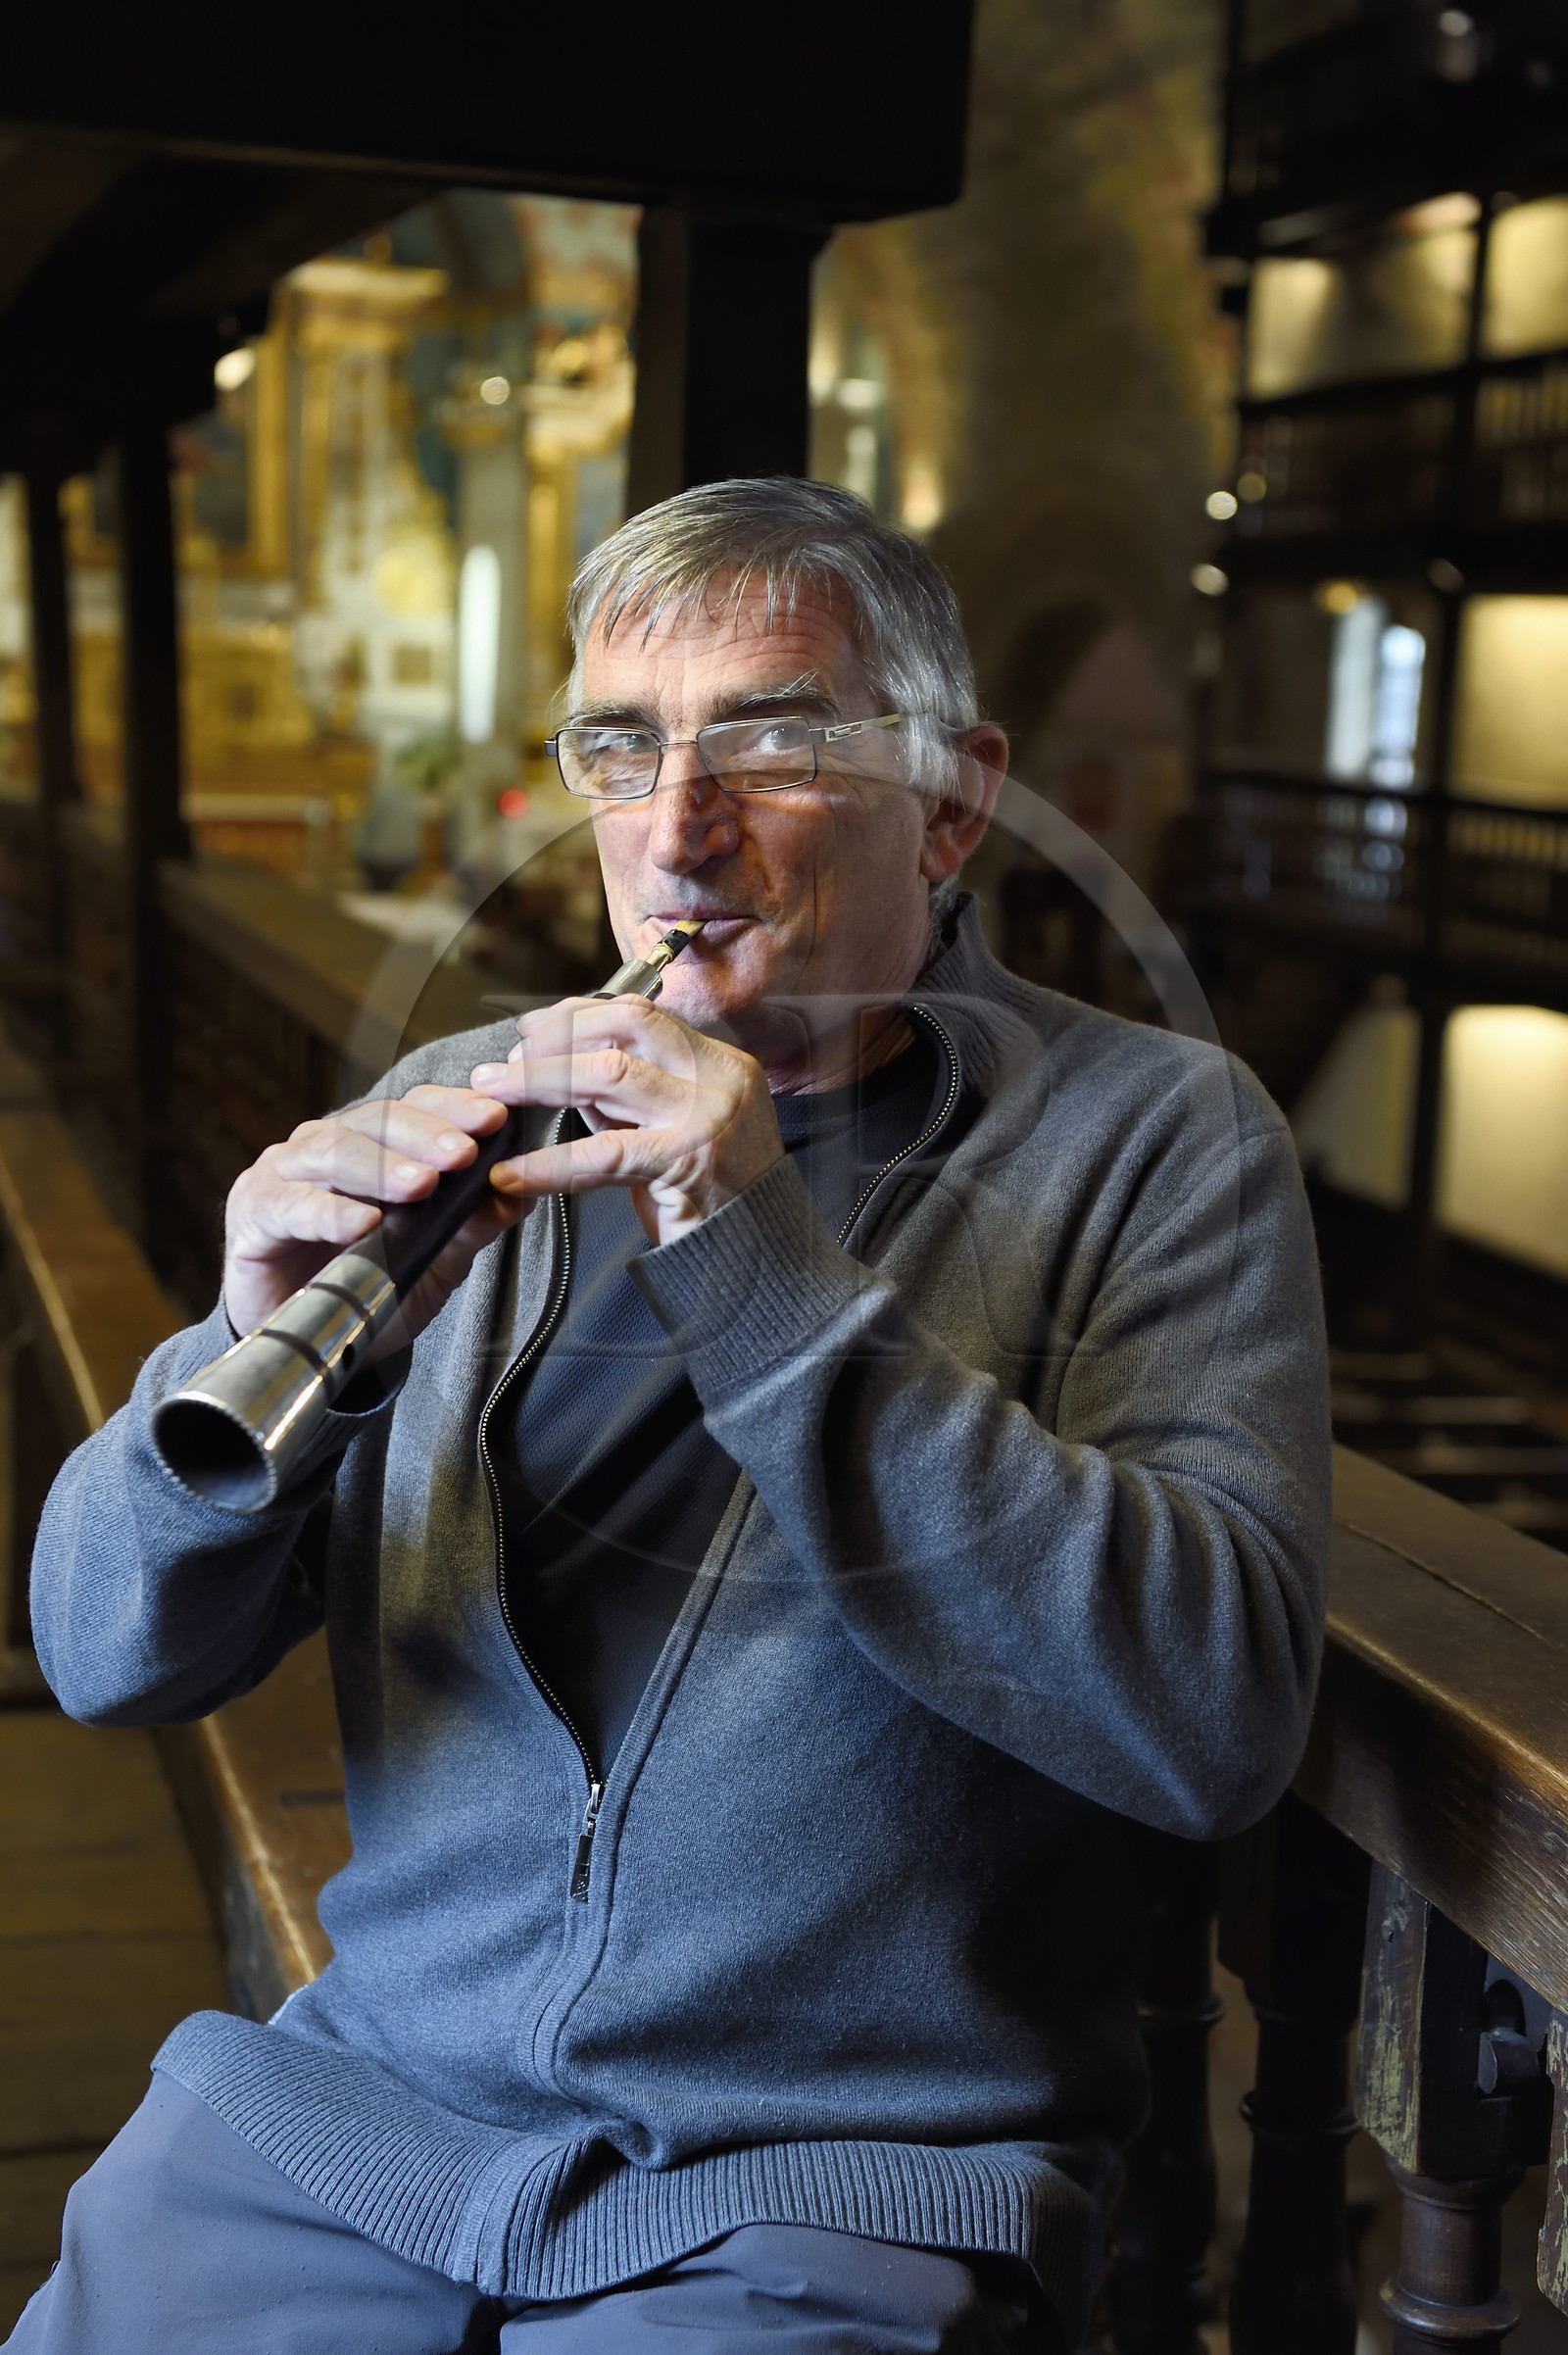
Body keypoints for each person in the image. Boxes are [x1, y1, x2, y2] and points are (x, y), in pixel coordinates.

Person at [15, 478, 1331, 2355]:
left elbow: (1214, 1716)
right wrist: (239, 1347)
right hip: (373, 2114)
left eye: (774, 742)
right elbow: (100, 1651)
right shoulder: (473, 1090)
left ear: (955, 797)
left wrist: (752, 1246)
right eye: (622, 752)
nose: (678, 830)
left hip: (834, 2178)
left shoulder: (1158, 1139)